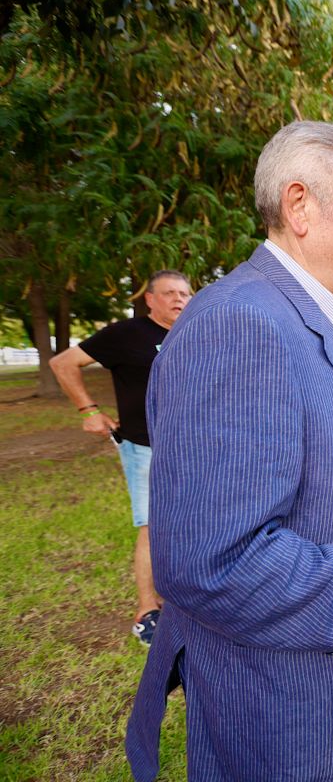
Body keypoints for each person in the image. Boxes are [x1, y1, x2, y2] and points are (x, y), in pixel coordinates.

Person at [124, 120, 333, 781]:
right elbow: (213, 560)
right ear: (300, 206)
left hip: (326, 705)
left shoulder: (305, 316)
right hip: (285, 725)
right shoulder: (241, 323)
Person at [49, 269, 193, 645]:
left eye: (185, 293)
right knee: (152, 527)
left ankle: (186, 597)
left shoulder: (193, 331)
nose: (179, 299)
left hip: (192, 448)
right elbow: (62, 363)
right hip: (144, 447)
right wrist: (88, 410)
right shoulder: (125, 334)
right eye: (169, 293)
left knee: (190, 522)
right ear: (149, 299)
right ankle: (148, 610)